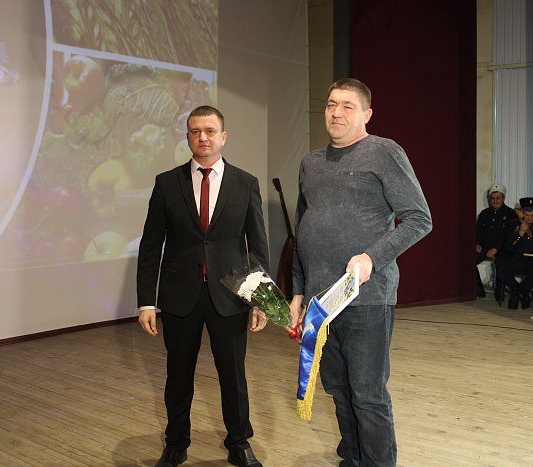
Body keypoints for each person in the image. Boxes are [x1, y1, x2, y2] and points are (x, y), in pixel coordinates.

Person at [289, 78, 433, 467]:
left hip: (366, 299)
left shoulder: (384, 152)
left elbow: (419, 219)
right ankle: (352, 459)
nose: (336, 112)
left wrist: (372, 257)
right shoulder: (310, 163)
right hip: (320, 303)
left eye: (347, 106)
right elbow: (302, 231)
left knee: (368, 394)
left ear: (367, 114)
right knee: (338, 389)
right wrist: (298, 291)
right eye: (331, 104)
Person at [137, 105, 269, 467]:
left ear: (223, 136)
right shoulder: (167, 183)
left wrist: (261, 300)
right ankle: (176, 443)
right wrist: (146, 301)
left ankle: (239, 442)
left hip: (230, 297)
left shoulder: (245, 183)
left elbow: (258, 247)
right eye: (195, 131)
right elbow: (151, 246)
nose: (203, 137)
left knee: (233, 375)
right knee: (178, 375)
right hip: (180, 297)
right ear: (188, 137)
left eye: (210, 131)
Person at [496, 197, 533, 310]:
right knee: (501, 270)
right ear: (522, 211)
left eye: (532, 215)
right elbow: (509, 247)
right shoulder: (514, 224)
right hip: (518, 258)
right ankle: (523, 295)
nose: (529, 218)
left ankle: (517, 295)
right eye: (526, 215)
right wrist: (521, 232)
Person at [475, 184, 516, 299]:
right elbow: (477, 231)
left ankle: (499, 292)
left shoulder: (510, 214)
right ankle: (478, 289)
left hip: (502, 247)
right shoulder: (484, 213)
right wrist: (477, 243)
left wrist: (496, 248)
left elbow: (510, 236)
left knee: (501, 262)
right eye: (492, 198)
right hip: (485, 246)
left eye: (498, 198)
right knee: (468, 260)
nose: (495, 201)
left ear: (503, 198)